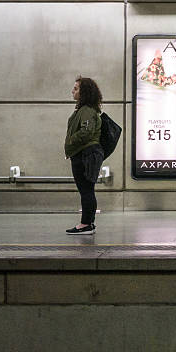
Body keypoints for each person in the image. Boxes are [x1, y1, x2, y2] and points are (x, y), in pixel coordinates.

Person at [65, 77, 104, 235]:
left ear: (84, 92)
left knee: (86, 190)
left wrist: (71, 142)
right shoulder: (85, 109)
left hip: (85, 154)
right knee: (87, 190)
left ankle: (85, 224)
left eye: (76, 88)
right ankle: (88, 223)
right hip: (85, 153)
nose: (73, 91)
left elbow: (86, 132)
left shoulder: (87, 110)